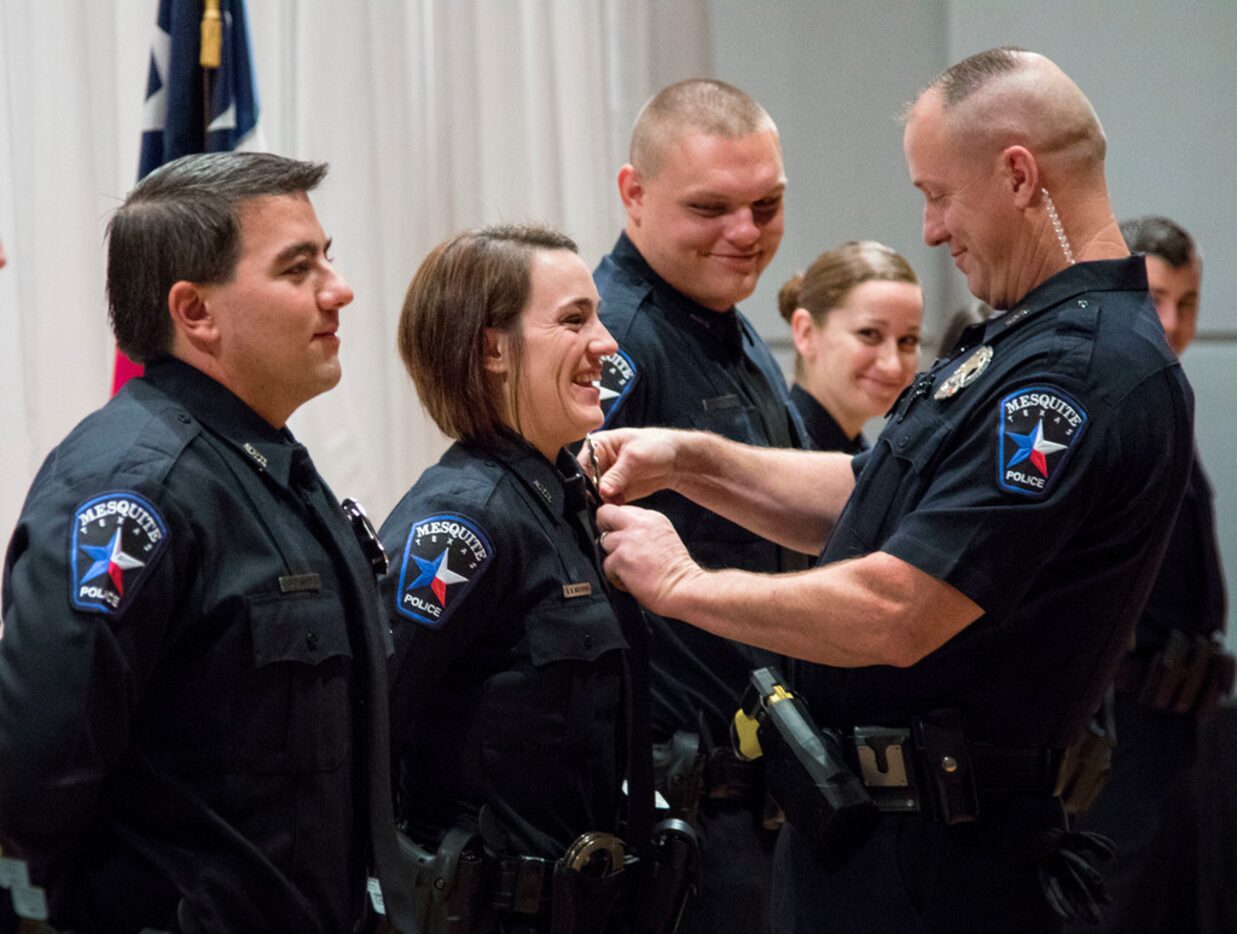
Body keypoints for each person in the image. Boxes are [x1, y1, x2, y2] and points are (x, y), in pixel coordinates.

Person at [586, 48, 1195, 932]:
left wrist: (684, 586)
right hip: (877, 843)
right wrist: (691, 461)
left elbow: (900, 609)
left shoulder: (1072, 377)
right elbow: (868, 493)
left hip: (940, 863)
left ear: (1018, 176)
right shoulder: (1031, 341)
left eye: (937, 194)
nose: (932, 230)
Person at [0, 152, 415, 933]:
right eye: (298, 269)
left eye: (327, 257)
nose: (340, 288)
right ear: (195, 312)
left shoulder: (268, 466)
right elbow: (32, 783)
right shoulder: (133, 492)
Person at [380, 225, 672, 933]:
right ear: (492, 349)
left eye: (598, 316)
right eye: (574, 320)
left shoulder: (563, 499)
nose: (606, 344)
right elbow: (369, 725)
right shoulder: (462, 521)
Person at [591, 77, 808, 934]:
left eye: (767, 203)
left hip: (756, 793)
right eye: (712, 206)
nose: (746, 233)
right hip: (680, 806)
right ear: (633, 194)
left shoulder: (726, 320)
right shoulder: (615, 337)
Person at [1066, 216, 1231, 933]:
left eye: (1187, 302)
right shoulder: (1096, 397)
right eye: (1154, 297)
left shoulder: (1162, 402)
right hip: (1108, 731)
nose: (1171, 321)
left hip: (1173, 733)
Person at [777, 240, 923, 454]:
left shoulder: (864, 456)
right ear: (806, 333)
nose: (892, 365)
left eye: (908, 340)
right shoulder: (773, 454)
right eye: (869, 334)